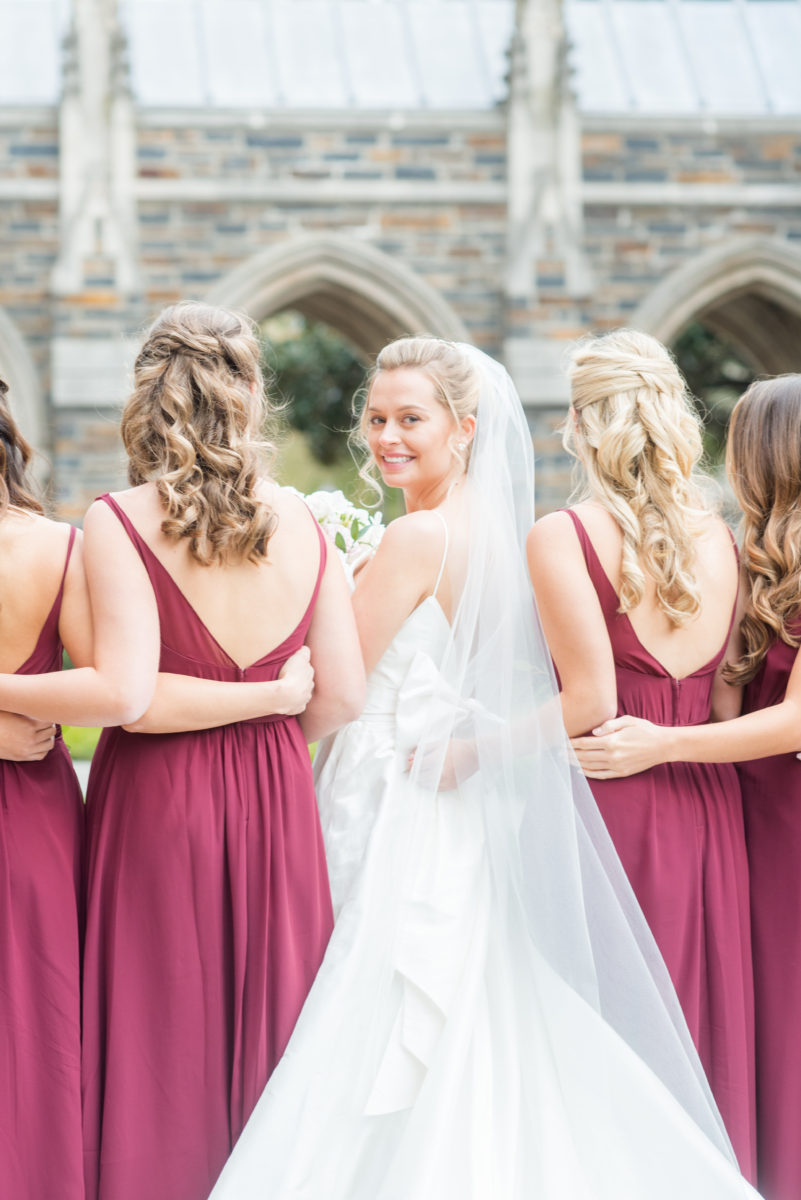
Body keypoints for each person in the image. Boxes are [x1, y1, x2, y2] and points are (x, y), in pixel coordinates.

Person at [209, 335, 757, 1199]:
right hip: (464, 800)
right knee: (483, 1010)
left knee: (369, 1003)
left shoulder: (418, 536)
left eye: (410, 419)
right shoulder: (501, 536)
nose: (385, 435)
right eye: (376, 416)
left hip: (390, 785)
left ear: (465, 429)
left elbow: (336, 686)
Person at [77, 302, 364, 1200]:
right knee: (275, 1023)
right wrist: (272, 719)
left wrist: (242, 707)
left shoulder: (119, 522)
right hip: (278, 789)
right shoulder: (309, 526)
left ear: (148, 393)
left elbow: (135, 700)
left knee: (160, 1027)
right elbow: (344, 694)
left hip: (158, 799)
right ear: (249, 395)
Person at [526, 328, 756, 1179]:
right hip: (705, 804)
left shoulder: (562, 536)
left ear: (583, 424)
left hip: (606, 798)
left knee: (602, 1028)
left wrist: (471, 750)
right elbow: (723, 702)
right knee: (694, 1020)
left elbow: (587, 702)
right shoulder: (724, 540)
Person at [571, 373, 801, 1200]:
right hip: (742, 803)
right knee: (758, 1011)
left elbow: (794, 720)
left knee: (781, 1007)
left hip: (780, 810)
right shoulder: (748, 554)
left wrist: (662, 743)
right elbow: (724, 689)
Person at [0, 378, 92, 1198]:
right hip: (32, 797)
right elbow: (105, 686)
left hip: (31, 800)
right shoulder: (62, 545)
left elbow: (113, 687)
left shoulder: (69, 545)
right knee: (37, 1015)